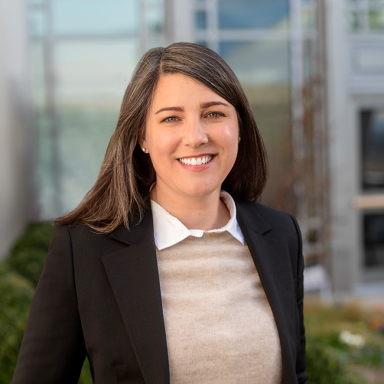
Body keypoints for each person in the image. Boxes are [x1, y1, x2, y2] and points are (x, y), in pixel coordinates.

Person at [12, 42, 308, 384]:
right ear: (142, 136)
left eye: (214, 113)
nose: (195, 137)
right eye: (171, 118)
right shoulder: (84, 249)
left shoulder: (281, 234)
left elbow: (296, 374)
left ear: (239, 127)